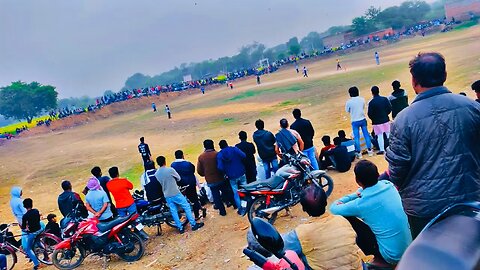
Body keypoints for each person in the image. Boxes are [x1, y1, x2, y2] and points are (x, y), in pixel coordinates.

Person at [386, 52, 480, 239]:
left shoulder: (403, 120)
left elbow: (397, 171)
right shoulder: (472, 107)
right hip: (470, 198)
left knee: (432, 258)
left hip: (425, 208)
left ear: (414, 81)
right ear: (444, 75)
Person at [249, 184, 364, 269]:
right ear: (325, 202)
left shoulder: (300, 233)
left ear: (304, 209)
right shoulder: (342, 220)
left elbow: (282, 249)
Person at [331, 160, 412, 268]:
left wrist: (354, 195)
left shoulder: (361, 204)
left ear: (358, 181)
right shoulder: (389, 185)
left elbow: (333, 209)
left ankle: (379, 259)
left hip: (392, 256)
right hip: (410, 247)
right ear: (378, 175)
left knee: (349, 218)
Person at [155, 156, 204, 233]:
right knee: (186, 206)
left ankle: (180, 228)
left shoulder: (157, 173)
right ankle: (193, 224)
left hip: (167, 194)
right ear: (164, 161)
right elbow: (179, 178)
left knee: (173, 211)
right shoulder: (170, 170)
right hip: (175, 192)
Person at [197, 139, 231, 216]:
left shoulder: (201, 157)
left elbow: (199, 170)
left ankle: (222, 211)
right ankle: (228, 202)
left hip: (210, 180)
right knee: (225, 191)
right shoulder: (217, 154)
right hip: (220, 177)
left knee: (216, 195)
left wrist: (205, 174)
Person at [171, 150, 206, 220]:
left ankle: (187, 215)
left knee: (183, 200)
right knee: (194, 199)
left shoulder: (173, 165)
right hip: (190, 183)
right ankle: (197, 215)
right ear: (182, 155)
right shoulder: (188, 164)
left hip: (180, 186)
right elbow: (192, 171)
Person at [217, 140, 247, 215]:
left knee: (236, 193)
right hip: (241, 171)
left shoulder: (220, 155)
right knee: (246, 189)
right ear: (227, 144)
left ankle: (240, 209)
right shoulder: (234, 149)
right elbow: (243, 155)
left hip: (231, 176)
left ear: (220, 147)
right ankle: (248, 205)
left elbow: (220, 167)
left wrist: (226, 171)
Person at [345, 86, 373, 159]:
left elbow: (347, 110)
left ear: (350, 94)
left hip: (354, 120)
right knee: (366, 135)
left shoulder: (349, 102)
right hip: (362, 119)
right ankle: (370, 151)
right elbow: (363, 107)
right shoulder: (362, 99)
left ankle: (359, 153)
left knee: (356, 137)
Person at [367, 86, 392, 155]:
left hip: (377, 122)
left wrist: (374, 119)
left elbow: (370, 114)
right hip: (385, 119)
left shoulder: (371, 102)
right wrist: (385, 114)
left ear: (372, 93)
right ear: (378, 91)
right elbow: (389, 108)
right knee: (388, 134)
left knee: (379, 136)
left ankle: (382, 149)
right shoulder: (384, 99)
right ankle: (391, 147)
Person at [21, 198, 42, 270]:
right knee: (37, 241)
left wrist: (25, 228)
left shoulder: (25, 216)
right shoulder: (36, 211)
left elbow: (23, 227)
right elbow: (38, 220)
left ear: (24, 206)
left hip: (33, 232)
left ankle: (36, 264)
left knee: (27, 248)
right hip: (39, 229)